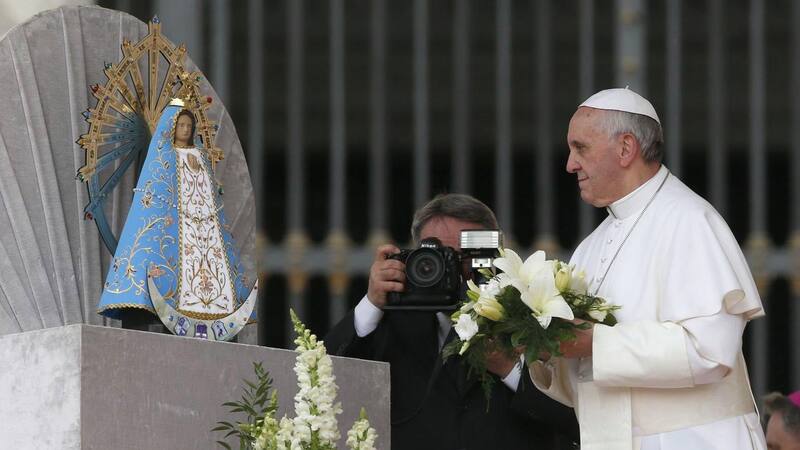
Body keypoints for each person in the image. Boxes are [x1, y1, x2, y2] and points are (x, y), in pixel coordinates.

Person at [528, 87, 767, 450]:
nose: (570, 164)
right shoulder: (590, 246)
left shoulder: (689, 220)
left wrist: (594, 342)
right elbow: (584, 385)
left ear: (626, 148)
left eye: (581, 148)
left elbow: (709, 350)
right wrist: (543, 347)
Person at [325, 193, 579, 449]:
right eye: (438, 256)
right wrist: (371, 302)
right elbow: (324, 376)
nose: (453, 269)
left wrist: (509, 368)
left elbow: (573, 416)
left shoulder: (531, 312)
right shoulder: (392, 316)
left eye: (463, 256)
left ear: (492, 257)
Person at [97, 101, 253, 330]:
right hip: (171, 224)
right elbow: (155, 192)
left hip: (201, 226)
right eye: (181, 125)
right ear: (171, 127)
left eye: (189, 125)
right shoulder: (163, 156)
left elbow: (207, 191)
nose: (185, 130)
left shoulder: (199, 154)